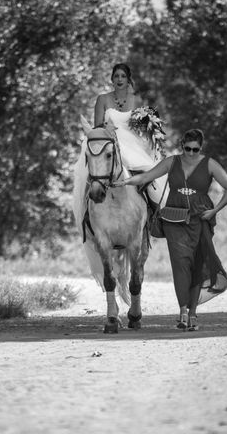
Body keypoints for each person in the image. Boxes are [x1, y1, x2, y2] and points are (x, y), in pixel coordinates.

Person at [115, 129, 227, 331]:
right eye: (187, 149)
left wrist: (216, 209)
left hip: (201, 219)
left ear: (200, 147)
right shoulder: (172, 162)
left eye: (195, 150)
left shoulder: (210, 164)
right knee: (180, 265)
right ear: (182, 146)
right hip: (175, 219)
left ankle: (193, 313)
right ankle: (182, 311)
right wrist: (126, 181)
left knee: (197, 266)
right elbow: (147, 176)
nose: (190, 153)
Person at [72, 63, 166, 292]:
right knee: (88, 174)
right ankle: (87, 216)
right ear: (112, 79)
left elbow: (146, 129)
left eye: (123, 76)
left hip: (133, 145)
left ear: (128, 78)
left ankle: (154, 218)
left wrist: (149, 134)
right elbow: (96, 128)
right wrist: (108, 131)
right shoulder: (103, 99)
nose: (119, 79)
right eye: (116, 76)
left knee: (153, 178)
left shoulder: (138, 98)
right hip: (107, 143)